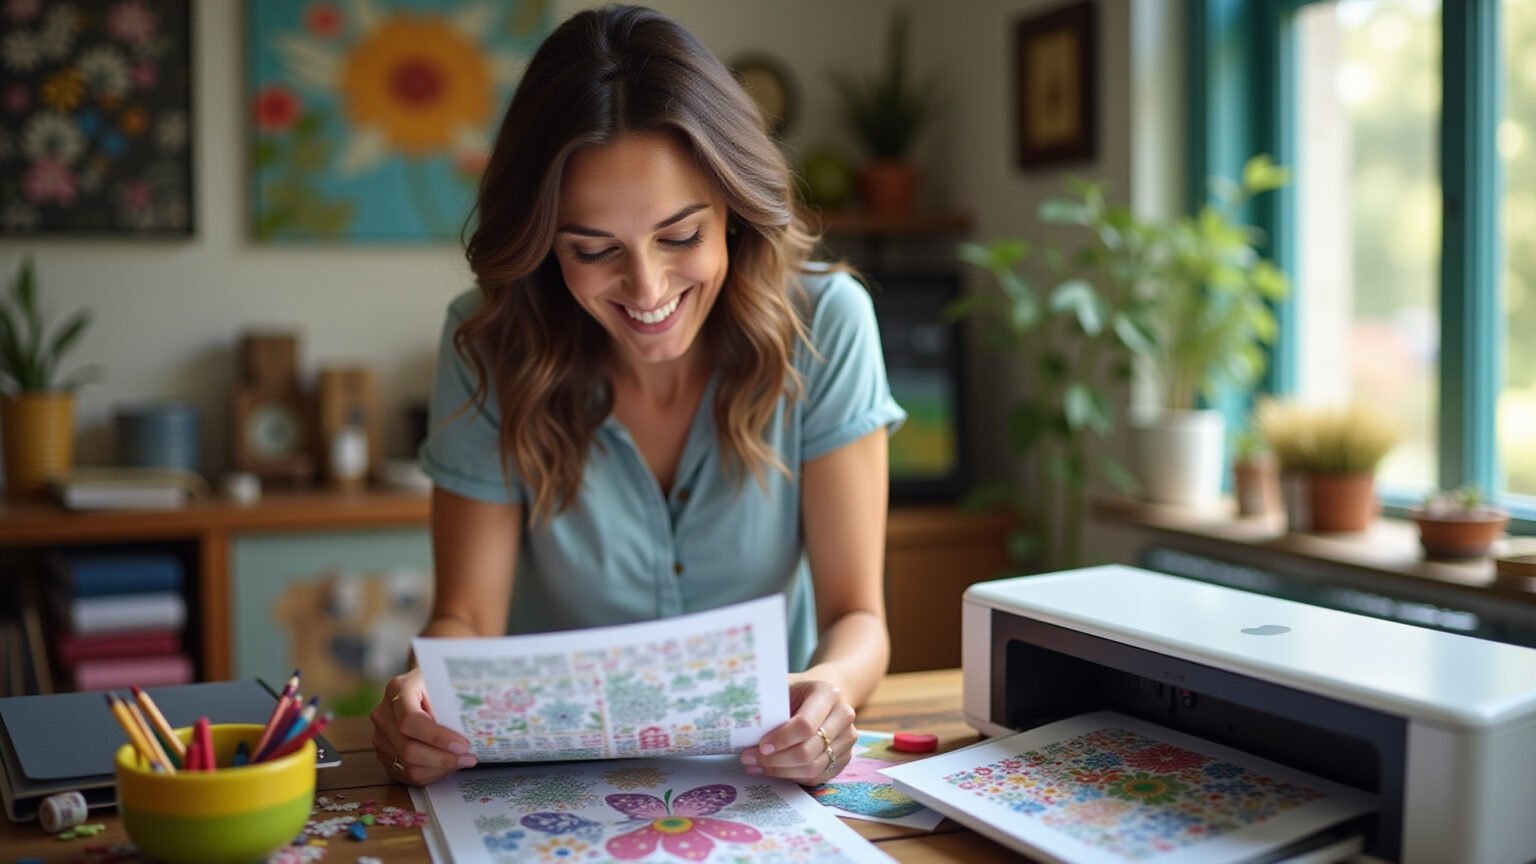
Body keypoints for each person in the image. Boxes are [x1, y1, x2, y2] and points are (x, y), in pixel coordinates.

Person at [370, 4, 905, 788]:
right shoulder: (489, 346)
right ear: (545, 245)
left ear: (733, 210)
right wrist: (422, 691)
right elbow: (468, 620)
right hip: (552, 779)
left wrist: (829, 694)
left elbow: (858, 618)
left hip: (759, 777)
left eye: (682, 236)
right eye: (593, 250)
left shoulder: (829, 325)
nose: (648, 290)